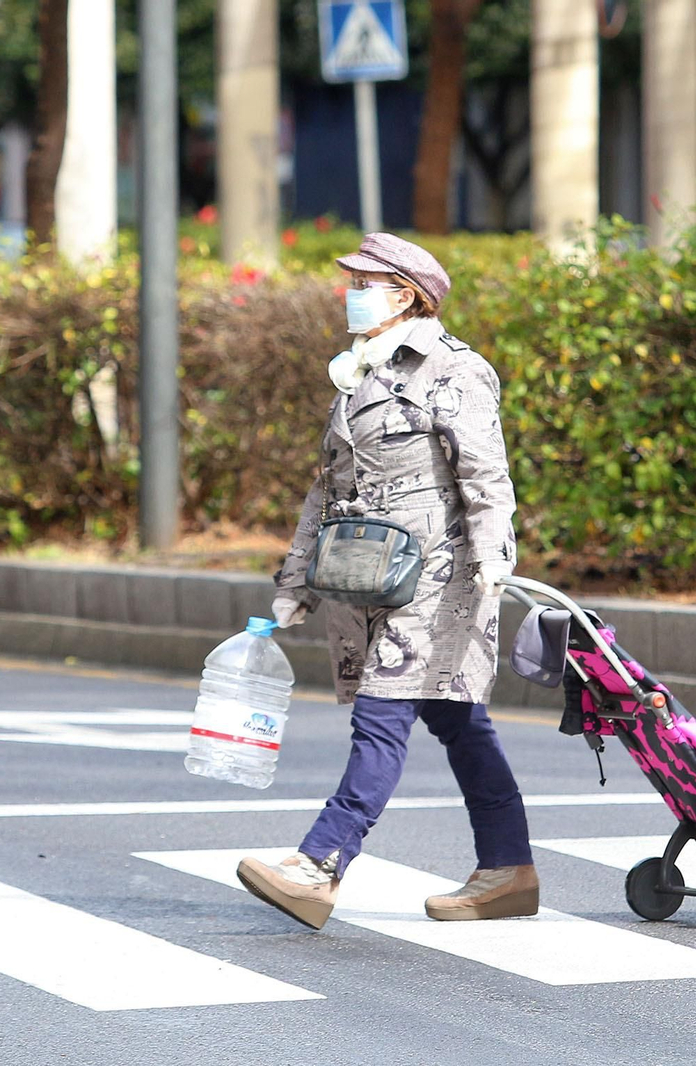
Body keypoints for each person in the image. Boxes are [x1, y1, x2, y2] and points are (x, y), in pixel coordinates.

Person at [236, 233, 536, 930]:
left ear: (405, 294)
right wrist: (296, 581)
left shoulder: (453, 370)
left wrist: (495, 561)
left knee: (382, 714)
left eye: (363, 280)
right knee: (457, 720)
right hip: (369, 576)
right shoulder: (360, 375)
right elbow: (327, 489)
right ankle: (509, 869)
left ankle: (319, 866)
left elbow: (486, 477)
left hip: (441, 577)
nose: (350, 291)